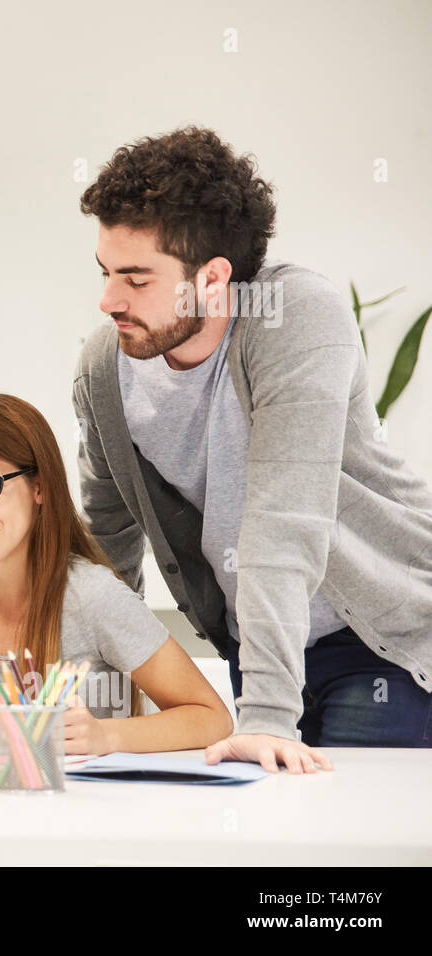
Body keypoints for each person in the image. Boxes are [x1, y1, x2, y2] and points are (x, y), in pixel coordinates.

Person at [75, 126, 432, 771]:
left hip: (380, 640)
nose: (108, 301)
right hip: (254, 645)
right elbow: (108, 542)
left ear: (212, 279)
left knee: (342, 842)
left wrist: (267, 716)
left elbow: (282, 523)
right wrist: (100, 705)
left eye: (135, 278)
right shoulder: (106, 367)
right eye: (105, 272)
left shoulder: (293, 316)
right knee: (271, 832)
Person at [0, 394, 232, 753]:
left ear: (39, 487)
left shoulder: (94, 594)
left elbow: (211, 717)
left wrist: (105, 737)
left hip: (86, 802)